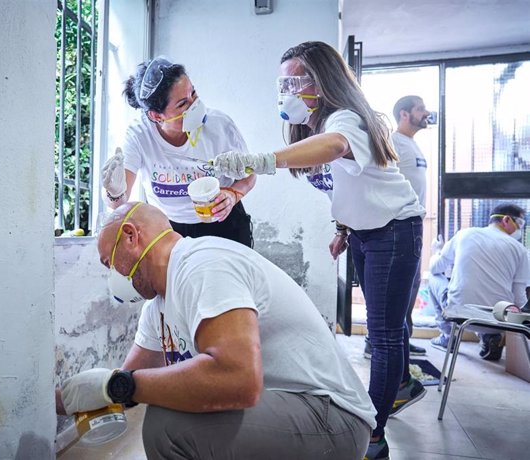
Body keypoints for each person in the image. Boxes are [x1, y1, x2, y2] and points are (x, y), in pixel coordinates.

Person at [212, 41, 427, 460]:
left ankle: (373, 437)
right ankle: (399, 386)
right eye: (283, 83)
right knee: (391, 327)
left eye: (296, 81)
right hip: (365, 233)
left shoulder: (346, 119)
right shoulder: (309, 127)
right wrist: (343, 228)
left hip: (396, 230)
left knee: (382, 336)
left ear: (323, 81)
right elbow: (349, 184)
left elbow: (335, 148)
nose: (287, 91)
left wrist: (260, 160)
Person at [59, 201, 376, 460]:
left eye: (109, 263)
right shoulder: (157, 307)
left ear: (131, 236)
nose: (113, 276)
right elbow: (126, 384)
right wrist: (62, 399)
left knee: (168, 426)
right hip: (287, 412)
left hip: (332, 418)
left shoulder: (203, 265)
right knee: (173, 411)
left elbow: (237, 380)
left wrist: (119, 385)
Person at [101, 56, 256, 247]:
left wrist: (233, 194)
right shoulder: (139, 135)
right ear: (156, 116)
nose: (195, 105)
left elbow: (250, 175)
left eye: (194, 93)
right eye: (183, 104)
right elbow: (117, 204)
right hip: (169, 230)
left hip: (224, 224)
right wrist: (114, 192)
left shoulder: (220, 125)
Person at [365, 95, 432, 359]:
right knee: (395, 292)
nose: (426, 113)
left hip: (413, 224)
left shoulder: (413, 145)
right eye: (420, 109)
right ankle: (378, 341)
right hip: (396, 226)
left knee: (410, 287)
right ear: (404, 114)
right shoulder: (394, 143)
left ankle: (404, 339)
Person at [428, 204, 530, 361]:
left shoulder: (464, 234)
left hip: (459, 316)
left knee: (433, 278)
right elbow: (519, 298)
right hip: (499, 321)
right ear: (506, 220)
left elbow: (435, 268)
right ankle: (490, 337)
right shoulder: (520, 250)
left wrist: (437, 252)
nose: (520, 229)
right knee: (497, 294)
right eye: (520, 224)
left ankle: (449, 336)